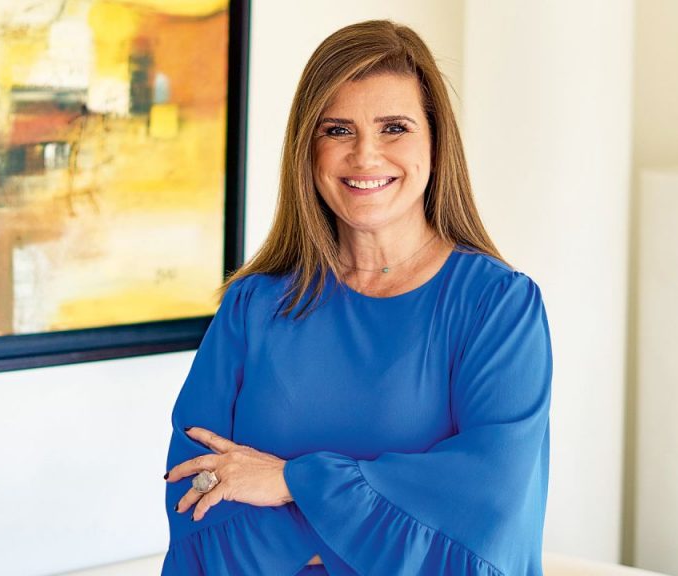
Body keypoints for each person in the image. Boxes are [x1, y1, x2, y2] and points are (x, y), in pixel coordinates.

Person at [162, 19, 552, 575]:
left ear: (435, 143)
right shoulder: (252, 307)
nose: (366, 156)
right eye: (338, 130)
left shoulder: (497, 307)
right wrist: (380, 522)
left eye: (394, 127)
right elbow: (196, 501)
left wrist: (288, 481)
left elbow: (491, 508)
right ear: (308, 149)